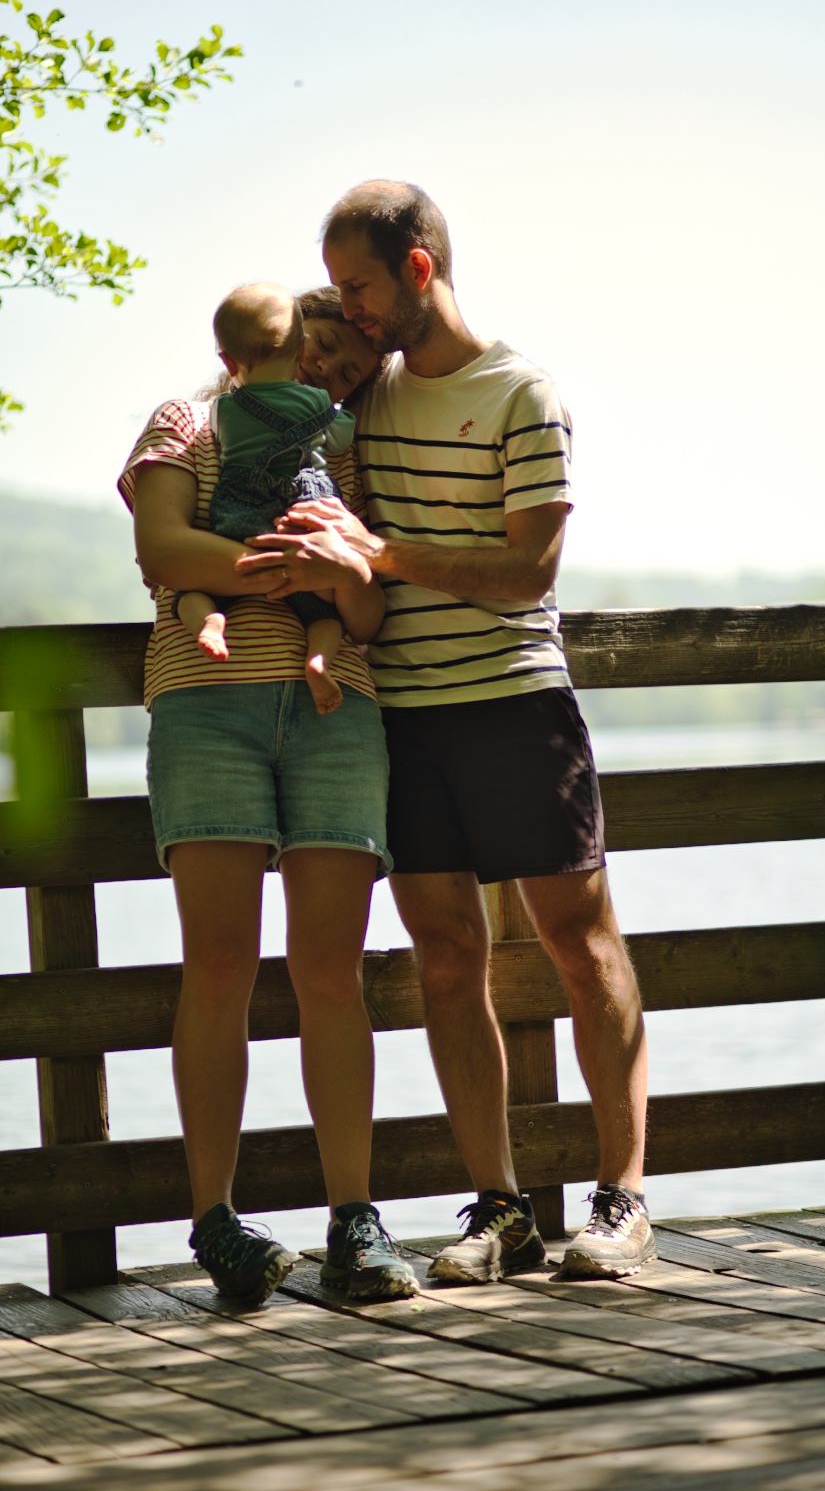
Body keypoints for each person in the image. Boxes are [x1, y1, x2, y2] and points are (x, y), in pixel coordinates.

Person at [240, 183, 654, 1283]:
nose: (351, 310)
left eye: (362, 286)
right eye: (338, 291)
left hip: (517, 702)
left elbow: (528, 574)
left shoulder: (523, 391)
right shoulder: (360, 400)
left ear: (419, 269)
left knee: (580, 944)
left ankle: (619, 1202)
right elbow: (269, 392)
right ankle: (500, 1209)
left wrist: (380, 552)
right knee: (445, 959)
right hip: (406, 720)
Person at [120, 285, 419, 1306]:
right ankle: (216, 1222)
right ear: (277, 342)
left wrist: (336, 584)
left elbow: (368, 601)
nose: (329, 370)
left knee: (332, 971)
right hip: (208, 710)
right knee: (219, 967)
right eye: (316, 349)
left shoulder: (340, 445)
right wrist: (297, 567)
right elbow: (164, 548)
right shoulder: (185, 420)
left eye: (345, 361)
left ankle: (355, 1222)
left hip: (340, 713)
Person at [175, 282, 363, 716]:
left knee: (194, 591)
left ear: (227, 359)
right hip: (302, 517)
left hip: (242, 507)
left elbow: (223, 443)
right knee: (323, 617)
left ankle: (212, 619)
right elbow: (338, 440)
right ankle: (317, 661)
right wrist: (340, 414)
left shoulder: (223, 408)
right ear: (301, 349)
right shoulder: (318, 400)